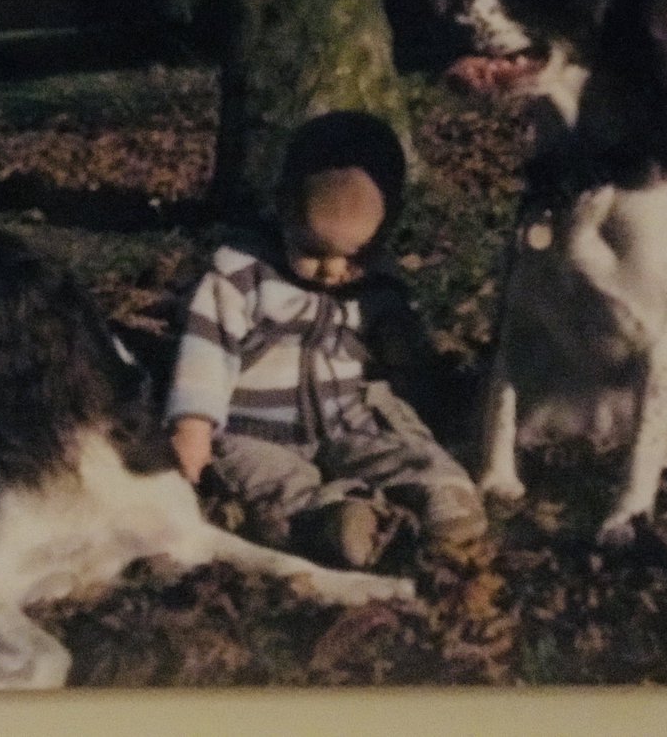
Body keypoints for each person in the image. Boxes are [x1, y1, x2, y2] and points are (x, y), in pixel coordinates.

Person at [165, 111, 485, 567]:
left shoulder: (377, 281)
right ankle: (332, 518)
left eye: (354, 256)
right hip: (255, 430)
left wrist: (414, 365)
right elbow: (206, 350)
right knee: (270, 484)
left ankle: (440, 494)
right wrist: (193, 425)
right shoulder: (241, 274)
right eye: (313, 251)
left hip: (348, 419)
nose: (332, 271)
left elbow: (401, 349)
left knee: (402, 448)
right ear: (283, 210)